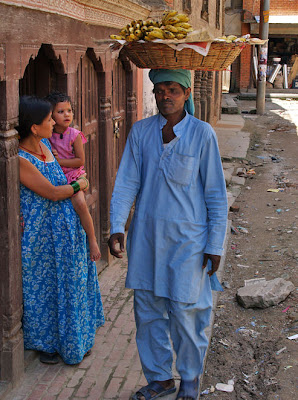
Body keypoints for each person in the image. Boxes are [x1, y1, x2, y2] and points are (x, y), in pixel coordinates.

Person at [108, 69, 228, 400]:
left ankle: (189, 381)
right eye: (159, 90)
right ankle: (160, 379)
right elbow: (126, 182)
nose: (165, 96)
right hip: (146, 241)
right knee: (147, 315)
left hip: (188, 243)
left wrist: (215, 245)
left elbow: (216, 195)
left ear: (186, 93)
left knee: (187, 316)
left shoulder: (202, 135)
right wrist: (117, 225)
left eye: (172, 89)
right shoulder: (140, 132)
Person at [17, 96, 105, 365]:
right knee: (45, 289)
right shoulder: (21, 159)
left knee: (72, 285)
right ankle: (49, 344)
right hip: (42, 236)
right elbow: (54, 193)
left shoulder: (45, 145)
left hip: (67, 230)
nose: (54, 122)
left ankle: (76, 341)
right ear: (34, 127)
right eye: (48, 119)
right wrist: (80, 185)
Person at [46, 91, 101, 262]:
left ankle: (92, 240)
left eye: (69, 110)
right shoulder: (47, 134)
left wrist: (59, 160)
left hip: (73, 175)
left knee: (80, 203)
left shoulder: (74, 135)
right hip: (55, 176)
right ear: (51, 115)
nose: (66, 115)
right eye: (61, 112)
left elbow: (79, 161)